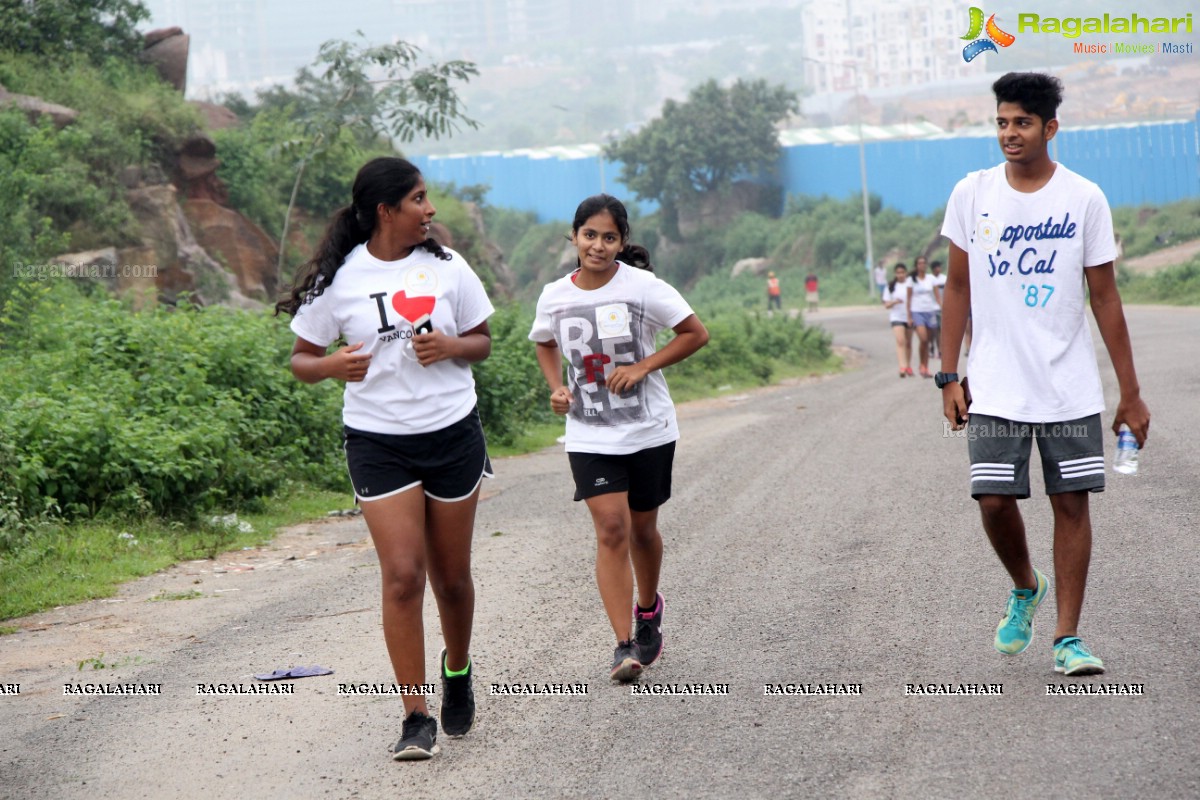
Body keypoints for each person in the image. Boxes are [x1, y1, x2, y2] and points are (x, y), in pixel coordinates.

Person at [277, 157, 495, 759]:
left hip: (452, 433)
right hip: (378, 441)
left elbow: (482, 341)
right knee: (404, 576)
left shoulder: (447, 267)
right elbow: (301, 358)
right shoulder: (341, 278)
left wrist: (450, 345)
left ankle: (457, 670)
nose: (430, 210)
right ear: (386, 210)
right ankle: (415, 716)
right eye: (419, 199)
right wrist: (330, 366)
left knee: (451, 579)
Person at [939, 73, 1150, 676]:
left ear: (1049, 128)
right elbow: (957, 287)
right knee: (993, 499)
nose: (1010, 133)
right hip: (996, 384)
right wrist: (949, 375)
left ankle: (1066, 637)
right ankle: (1024, 585)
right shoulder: (971, 193)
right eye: (1002, 122)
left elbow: (1105, 299)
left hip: (1068, 384)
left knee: (1072, 505)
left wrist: (1130, 393)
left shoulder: (1083, 198)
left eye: (1022, 123)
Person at [529, 194, 709, 683]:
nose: (599, 245)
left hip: (649, 429)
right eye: (590, 235)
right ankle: (623, 644)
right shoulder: (554, 295)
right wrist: (557, 389)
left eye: (610, 237)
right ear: (574, 236)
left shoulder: (642, 287)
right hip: (589, 433)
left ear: (622, 242)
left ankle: (648, 609)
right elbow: (544, 342)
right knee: (612, 529)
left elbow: (695, 333)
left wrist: (643, 366)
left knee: (643, 530)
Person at [906, 256, 939, 377]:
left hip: (930, 311)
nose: (922, 265)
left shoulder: (931, 279)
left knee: (928, 342)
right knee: (923, 339)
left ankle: (925, 366)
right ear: (916, 265)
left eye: (924, 263)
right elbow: (908, 299)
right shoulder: (911, 280)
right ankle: (922, 364)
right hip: (917, 311)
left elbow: (937, 297)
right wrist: (909, 316)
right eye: (920, 263)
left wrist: (942, 309)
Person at [881, 262, 913, 377]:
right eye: (898, 273)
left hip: (909, 317)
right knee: (900, 341)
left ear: (906, 273)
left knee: (908, 343)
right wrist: (895, 302)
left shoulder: (910, 285)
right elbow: (886, 305)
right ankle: (902, 366)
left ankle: (908, 365)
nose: (900, 275)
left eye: (902, 272)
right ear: (895, 274)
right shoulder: (890, 286)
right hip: (896, 317)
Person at [928, 260, 947, 358]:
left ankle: (940, 349)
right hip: (930, 307)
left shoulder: (944, 278)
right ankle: (931, 346)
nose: (938, 269)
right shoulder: (929, 279)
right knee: (931, 330)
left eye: (939, 267)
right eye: (936, 268)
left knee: (940, 329)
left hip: (940, 307)